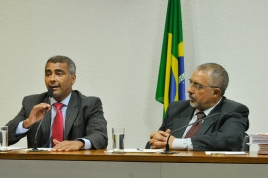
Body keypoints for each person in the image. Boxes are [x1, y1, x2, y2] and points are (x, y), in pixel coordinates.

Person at [6, 55, 108, 151]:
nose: (52, 79)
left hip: (76, 166)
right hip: (38, 167)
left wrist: (79, 143)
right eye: (48, 74)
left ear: (73, 79)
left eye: (59, 74)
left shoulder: (89, 104)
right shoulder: (32, 102)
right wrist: (26, 123)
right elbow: (3, 138)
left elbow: (100, 136)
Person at [149, 63, 249, 151]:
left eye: (198, 86)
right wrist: (156, 141)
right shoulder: (176, 108)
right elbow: (157, 143)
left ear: (215, 92)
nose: (189, 90)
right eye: (191, 82)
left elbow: (229, 139)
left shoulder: (234, 111)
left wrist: (176, 143)